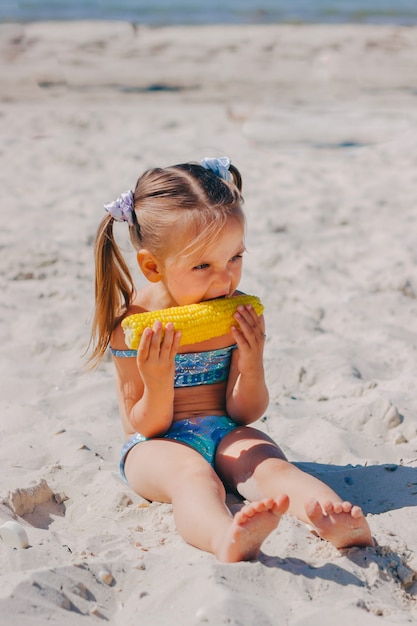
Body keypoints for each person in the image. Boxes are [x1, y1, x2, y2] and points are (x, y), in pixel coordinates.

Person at [88, 156, 374, 562]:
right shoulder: (132, 327)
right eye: (202, 265)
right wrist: (157, 380)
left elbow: (245, 412)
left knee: (271, 466)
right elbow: (144, 423)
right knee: (195, 478)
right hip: (155, 446)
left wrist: (252, 363)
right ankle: (223, 537)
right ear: (153, 266)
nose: (224, 280)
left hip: (224, 427)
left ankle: (330, 517)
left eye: (235, 258)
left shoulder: (237, 312)